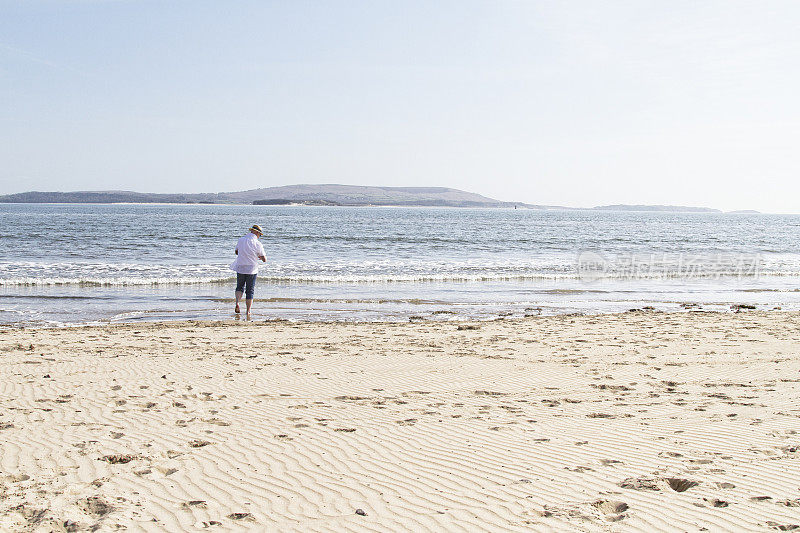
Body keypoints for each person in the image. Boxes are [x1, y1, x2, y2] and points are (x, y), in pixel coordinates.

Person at [230, 224, 266, 317]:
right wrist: (257, 256)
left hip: (241, 266)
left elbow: (236, 252)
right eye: (259, 235)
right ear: (257, 232)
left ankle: (237, 302)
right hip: (252, 269)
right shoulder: (257, 243)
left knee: (239, 287)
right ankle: (248, 311)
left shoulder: (241, 240)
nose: (259, 236)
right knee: (250, 290)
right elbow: (264, 259)